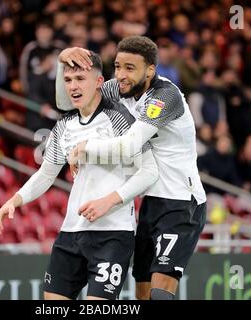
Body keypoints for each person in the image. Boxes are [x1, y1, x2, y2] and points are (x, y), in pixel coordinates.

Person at [0, 52, 158, 300]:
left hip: (112, 235)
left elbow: (149, 171)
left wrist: (109, 200)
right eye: (68, 80)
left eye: (80, 78)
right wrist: (15, 200)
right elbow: (46, 174)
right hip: (71, 233)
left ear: (99, 82)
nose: (73, 86)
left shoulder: (119, 119)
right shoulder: (64, 124)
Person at [57, 35, 207, 300]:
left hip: (182, 203)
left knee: (161, 292)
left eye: (129, 68)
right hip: (152, 201)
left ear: (150, 70)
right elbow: (67, 101)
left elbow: (129, 146)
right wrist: (63, 62)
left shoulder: (164, 96)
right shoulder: (121, 87)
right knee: (143, 293)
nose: (121, 75)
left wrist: (85, 147)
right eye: (117, 66)